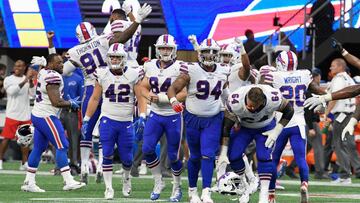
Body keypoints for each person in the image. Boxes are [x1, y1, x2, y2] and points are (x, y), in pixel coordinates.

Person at [62, 4, 151, 183]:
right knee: (106, 129)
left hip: (90, 88)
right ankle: (103, 165)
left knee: (86, 128)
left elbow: (64, 71)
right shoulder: (103, 39)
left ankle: (85, 166)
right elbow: (123, 37)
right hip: (107, 85)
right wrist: (137, 20)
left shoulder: (74, 52)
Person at [167, 38, 229, 203]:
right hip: (193, 117)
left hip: (213, 118)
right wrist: (174, 102)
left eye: (213, 52)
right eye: (206, 52)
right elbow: (172, 89)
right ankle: (192, 191)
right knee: (194, 156)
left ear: (218, 54)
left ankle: (206, 192)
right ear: (200, 54)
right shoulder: (191, 70)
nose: (209, 55)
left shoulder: (223, 70)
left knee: (208, 155)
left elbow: (224, 92)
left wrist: (231, 107)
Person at [82, 43, 145, 199]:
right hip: (107, 119)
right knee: (107, 152)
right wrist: (86, 119)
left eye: (118, 57)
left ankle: (126, 179)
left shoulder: (133, 74)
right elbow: (95, 98)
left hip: (126, 121)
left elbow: (140, 97)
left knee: (127, 158)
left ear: (124, 58)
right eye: (112, 57)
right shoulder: (102, 73)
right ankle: (109, 188)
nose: (115, 60)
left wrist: (142, 116)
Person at [21, 53, 84, 192]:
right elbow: (56, 102)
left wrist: (43, 62)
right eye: (59, 63)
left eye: (62, 62)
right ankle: (68, 181)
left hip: (38, 114)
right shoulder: (53, 76)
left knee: (39, 148)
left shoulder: (44, 71)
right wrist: (71, 103)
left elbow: (43, 68)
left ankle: (29, 182)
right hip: (46, 116)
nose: (62, 65)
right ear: (50, 64)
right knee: (62, 145)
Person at [220, 85, 294, 203]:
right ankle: (245, 185)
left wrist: (276, 131)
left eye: (255, 106)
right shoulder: (235, 100)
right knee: (233, 156)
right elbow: (226, 127)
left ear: (263, 101)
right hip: (245, 128)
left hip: (266, 126)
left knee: (263, 156)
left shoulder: (272, 98)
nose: (251, 108)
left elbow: (289, 110)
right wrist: (223, 153)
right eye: (249, 105)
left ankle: (263, 195)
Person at [139, 34, 186, 201]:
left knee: (173, 155)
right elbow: (143, 87)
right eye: (162, 48)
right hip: (156, 114)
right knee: (147, 149)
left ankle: (177, 186)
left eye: (168, 48)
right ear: (157, 49)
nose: (165, 51)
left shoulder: (180, 67)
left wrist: (163, 98)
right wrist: (148, 97)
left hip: (173, 115)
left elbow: (184, 93)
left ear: (174, 50)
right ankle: (158, 181)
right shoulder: (150, 65)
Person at [0, 60, 35, 170]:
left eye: (20, 66)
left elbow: (33, 94)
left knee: (25, 140)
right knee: (6, 138)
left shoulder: (26, 79)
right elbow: (11, 92)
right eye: (16, 65)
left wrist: (30, 81)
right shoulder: (8, 79)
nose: (17, 67)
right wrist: (25, 80)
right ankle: (0, 160)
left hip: (25, 114)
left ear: (25, 67)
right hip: (12, 114)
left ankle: (24, 163)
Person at [304, 68, 329, 179]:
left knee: (307, 146)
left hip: (308, 122)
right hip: (310, 123)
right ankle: (320, 172)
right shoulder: (309, 91)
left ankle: (291, 166)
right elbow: (307, 111)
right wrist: (310, 127)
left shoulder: (309, 90)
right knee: (318, 147)